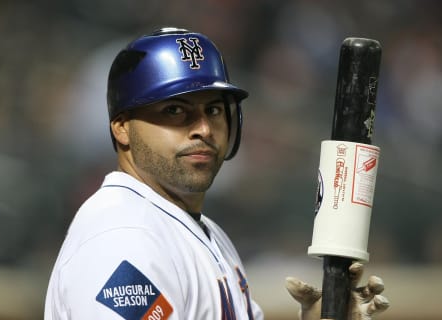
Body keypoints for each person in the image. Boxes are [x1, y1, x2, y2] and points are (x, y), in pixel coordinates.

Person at [44, 27, 389, 320]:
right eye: (175, 110)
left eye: (213, 110)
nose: (204, 129)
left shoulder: (200, 231)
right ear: (122, 128)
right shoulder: (124, 236)